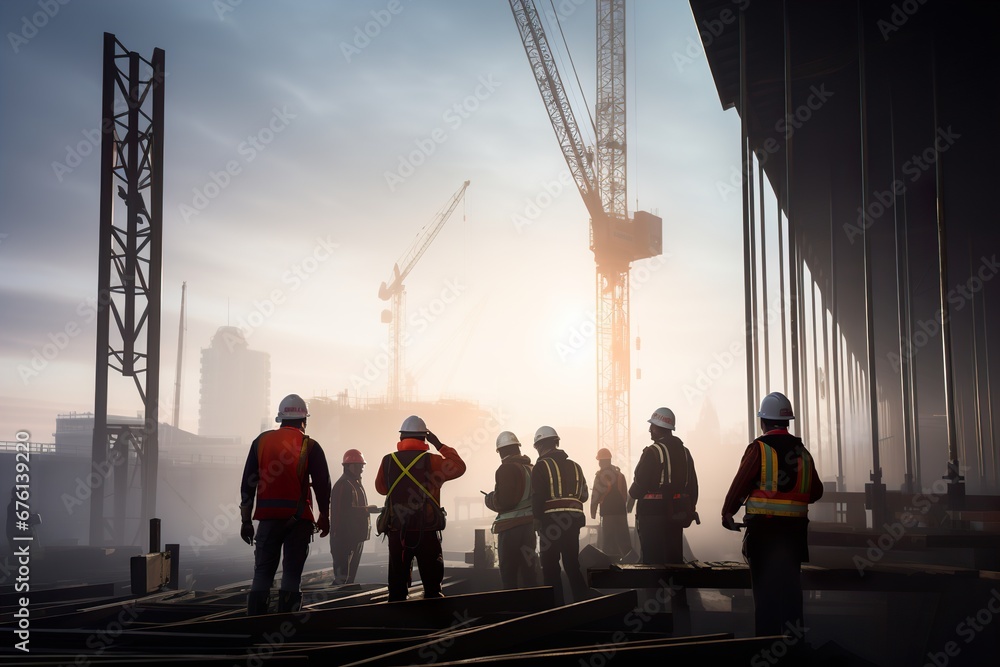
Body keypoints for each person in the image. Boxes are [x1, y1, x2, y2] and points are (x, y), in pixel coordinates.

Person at [722, 391, 824, 637]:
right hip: (793, 539)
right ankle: (794, 651)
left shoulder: (759, 449)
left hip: (764, 538)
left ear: (763, 421)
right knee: (791, 598)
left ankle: (766, 650)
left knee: (766, 600)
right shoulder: (803, 453)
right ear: (787, 422)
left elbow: (741, 484)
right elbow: (816, 491)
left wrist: (728, 512)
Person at [239, 393, 331, 615]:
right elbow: (322, 485)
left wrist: (245, 521)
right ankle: (285, 621)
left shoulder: (260, 442)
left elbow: (247, 485)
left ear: (280, 418)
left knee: (262, 573)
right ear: (304, 420)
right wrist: (324, 516)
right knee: (291, 574)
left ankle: (254, 622)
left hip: (268, 520)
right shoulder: (310, 446)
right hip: (298, 522)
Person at [375, 415, 466, 601]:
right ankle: (432, 619)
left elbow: (381, 489)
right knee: (433, 588)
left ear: (401, 438)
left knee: (397, 588)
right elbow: (459, 467)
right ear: (425, 439)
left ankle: (397, 620)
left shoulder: (388, 461)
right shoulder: (433, 461)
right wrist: (439, 445)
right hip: (427, 531)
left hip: (398, 532)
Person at [629, 407, 699, 564]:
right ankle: (675, 588)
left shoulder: (652, 452)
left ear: (659, 428)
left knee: (652, 564)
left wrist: (632, 493)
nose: (649, 430)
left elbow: (638, 486)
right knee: (674, 561)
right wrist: (689, 508)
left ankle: (654, 588)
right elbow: (693, 487)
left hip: (651, 516)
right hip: (677, 514)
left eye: (652, 426)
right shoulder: (685, 452)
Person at [530, 426, 590, 605]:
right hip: (573, 521)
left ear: (540, 445)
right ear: (556, 442)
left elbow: (537, 495)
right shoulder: (576, 466)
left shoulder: (541, 466)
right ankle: (584, 604)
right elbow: (584, 496)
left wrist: (536, 518)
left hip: (550, 524)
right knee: (572, 565)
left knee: (550, 567)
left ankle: (555, 608)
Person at [484, 431, 537, 590]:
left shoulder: (506, 469)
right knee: (528, 569)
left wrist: (490, 499)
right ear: (517, 448)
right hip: (529, 527)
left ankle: (512, 605)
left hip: (510, 528)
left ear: (501, 451)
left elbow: (505, 502)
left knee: (509, 571)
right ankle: (532, 607)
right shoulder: (531, 467)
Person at [329, 449, 378, 585]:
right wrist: (367, 510)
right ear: (349, 465)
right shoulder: (344, 485)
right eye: (359, 466)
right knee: (342, 578)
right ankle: (337, 602)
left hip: (355, 537)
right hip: (344, 538)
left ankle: (344, 599)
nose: (362, 469)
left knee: (349, 578)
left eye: (362, 466)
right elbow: (344, 512)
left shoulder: (353, 483)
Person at [590, 448, 634, 562]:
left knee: (608, 542)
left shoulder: (600, 476)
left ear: (601, 461)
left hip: (608, 514)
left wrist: (593, 511)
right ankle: (630, 564)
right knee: (624, 541)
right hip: (620, 513)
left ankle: (610, 566)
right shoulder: (620, 475)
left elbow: (595, 495)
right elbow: (625, 494)